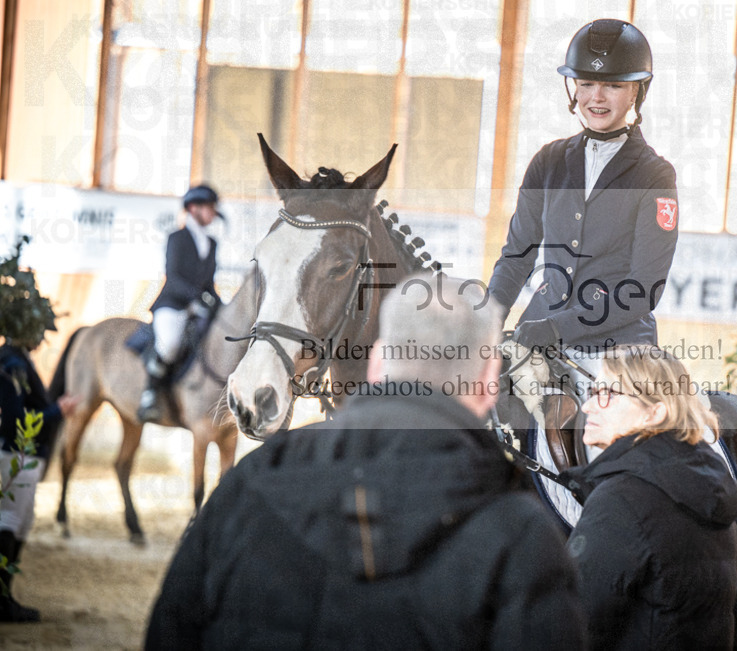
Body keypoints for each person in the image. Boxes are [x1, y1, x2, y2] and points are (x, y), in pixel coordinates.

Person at [145, 274, 585, 650]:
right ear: (490, 384)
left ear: (376, 363)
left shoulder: (251, 482)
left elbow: (170, 631)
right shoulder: (524, 533)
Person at [488, 19, 678, 356]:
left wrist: (559, 327)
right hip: (538, 332)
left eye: (614, 85)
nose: (597, 97)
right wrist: (487, 320)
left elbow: (644, 288)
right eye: (587, 83)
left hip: (618, 347)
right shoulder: (549, 161)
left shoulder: (655, 176)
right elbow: (517, 256)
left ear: (637, 89)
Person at [559, 345, 737, 650]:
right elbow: (734, 624)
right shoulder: (714, 494)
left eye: (608, 393)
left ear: (654, 413)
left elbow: (568, 624)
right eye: (593, 391)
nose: (588, 406)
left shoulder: (621, 501)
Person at [1, 241, 80, 623]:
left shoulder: (15, 359)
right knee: (9, 524)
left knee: (18, 522)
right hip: (13, 453)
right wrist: (58, 409)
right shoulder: (13, 363)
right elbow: (18, 418)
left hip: (17, 454)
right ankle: (2, 599)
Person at [137, 184, 222, 423]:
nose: (213, 213)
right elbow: (173, 278)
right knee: (171, 343)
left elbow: (209, 285)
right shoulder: (177, 238)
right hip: (172, 305)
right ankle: (150, 394)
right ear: (193, 208)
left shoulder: (212, 243)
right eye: (209, 208)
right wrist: (197, 297)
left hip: (197, 308)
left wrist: (219, 304)